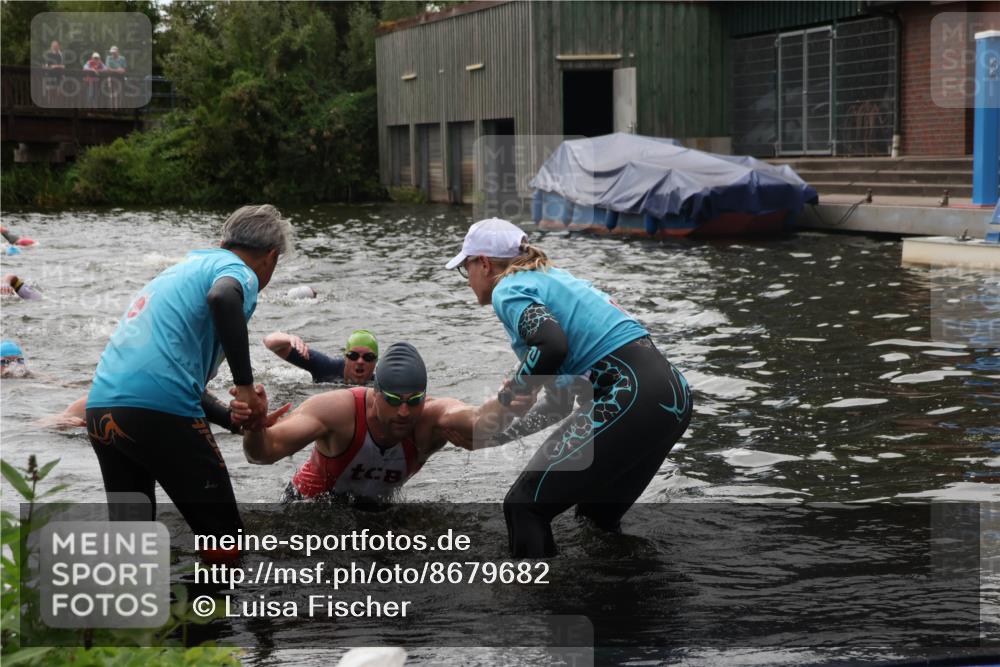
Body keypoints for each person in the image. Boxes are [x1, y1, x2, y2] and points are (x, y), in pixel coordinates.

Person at [445, 218, 693, 558]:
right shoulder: (549, 281)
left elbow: (551, 346)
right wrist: (494, 436)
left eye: (466, 268)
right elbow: (559, 406)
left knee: (523, 507)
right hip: (670, 395)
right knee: (595, 519)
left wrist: (511, 395)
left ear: (484, 263)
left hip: (632, 395)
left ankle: (535, 607)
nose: (468, 279)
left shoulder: (508, 287)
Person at [85, 204, 292, 552]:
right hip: (158, 410)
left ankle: (143, 606)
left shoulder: (178, 272)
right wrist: (245, 389)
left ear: (224, 240)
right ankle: (207, 607)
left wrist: (231, 418)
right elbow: (223, 297)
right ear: (271, 256)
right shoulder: (236, 271)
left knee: (130, 544)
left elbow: (162, 374)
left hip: (103, 409)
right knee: (226, 543)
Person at [241, 342, 523, 502]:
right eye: (393, 400)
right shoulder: (337, 411)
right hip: (309, 506)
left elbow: (479, 419)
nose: (404, 412)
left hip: (376, 510)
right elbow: (264, 453)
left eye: (414, 401)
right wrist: (254, 428)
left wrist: (508, 401)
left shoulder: (430, 419)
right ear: (375, 394)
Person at [263, 329, 378, 385]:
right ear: (346, 357)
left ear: (376, 361)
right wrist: (289, 338)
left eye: (368, 357)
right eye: (353, 355)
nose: (360, 361)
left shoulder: (381, 383)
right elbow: (269, 341)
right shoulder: (327, 367)